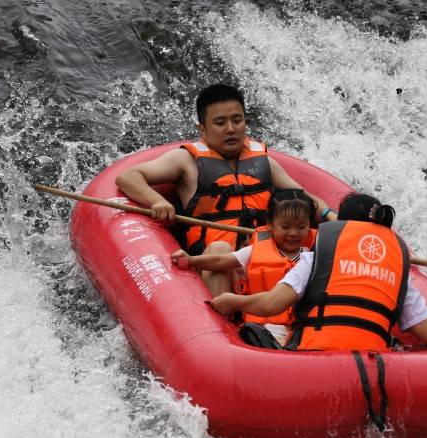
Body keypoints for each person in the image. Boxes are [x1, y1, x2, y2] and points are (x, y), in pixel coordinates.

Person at [115, 83, 337, 297]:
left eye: (237, 120)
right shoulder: (185, 160)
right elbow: (128, 177)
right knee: (220, 249)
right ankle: (222, 325)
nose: (231, 129)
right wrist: (157, 201)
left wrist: (331, 216)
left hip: (264, 262)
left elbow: (305, 201)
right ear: (202, 129)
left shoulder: (264, 162)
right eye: (220, 123)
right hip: (216, 264)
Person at [210, 193, 427, 351]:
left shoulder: (314, 259)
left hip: (315, 360)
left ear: (340, 227)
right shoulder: (396, 274)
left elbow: (272, 304)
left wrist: (233, 301)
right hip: (373, 362)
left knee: (253, 332)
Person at [170, 189, 316, 345]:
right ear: (270, 224)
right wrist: (190, 260)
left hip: (296, 328)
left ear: (309, 226)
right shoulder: (255, 250)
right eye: (286, 227)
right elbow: (221, 261)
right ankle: (217, 332)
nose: (293, 233)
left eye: (301, 227)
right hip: (259, 326)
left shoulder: (314, 256)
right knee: (219, 248)